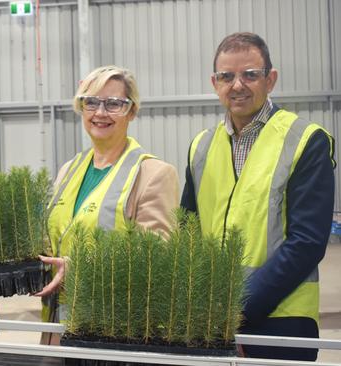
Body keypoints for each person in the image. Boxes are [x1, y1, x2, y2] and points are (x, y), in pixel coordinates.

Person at [181, 32, 336, 361]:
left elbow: (306, 242)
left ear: (271, 79)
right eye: (227, 76)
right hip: (210, 322)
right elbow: (188, 233)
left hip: (281, 320)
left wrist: (235, 307)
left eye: (250, 74)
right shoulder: (201, 147)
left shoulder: (305, 140)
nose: (237, 85)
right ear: (215, 82)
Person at [36, 65, 179, 342]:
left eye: (114, 104)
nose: (100, 113)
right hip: (57, 326)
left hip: (115, 330)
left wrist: (78, 268)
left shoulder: (154, 174)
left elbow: (157, 261)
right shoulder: (69, 170)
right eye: (91, 102)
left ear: (132, 111)